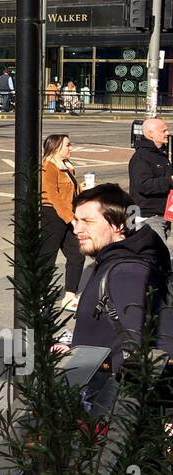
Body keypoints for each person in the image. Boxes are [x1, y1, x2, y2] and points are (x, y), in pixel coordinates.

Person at [70, 183, 171, 372]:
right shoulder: (109, 262)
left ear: (118, 225)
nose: (76, 229)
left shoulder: (128, 273)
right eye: (76, 220)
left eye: (87, 221)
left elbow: (149, 352)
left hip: (109, 395)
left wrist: (119, 395)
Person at [40, 134, 84, 311]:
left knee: (77, 254)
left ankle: (70, 295)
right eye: (67, 145)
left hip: (66, 215)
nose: (70, 148)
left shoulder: (66, 166)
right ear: (56, 147)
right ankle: (40, 295)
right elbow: (53, 197)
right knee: (47, 257)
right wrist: (71, 219)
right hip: (52, 214)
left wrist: (83, 189)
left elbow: (69, 192)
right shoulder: (49, 166)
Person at [129, 116, 173, 241]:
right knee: (155, 256)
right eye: (163, 131)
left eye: (167, 130)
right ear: (151, 134)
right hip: (148, 217)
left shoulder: (161, 154)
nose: (167, 133)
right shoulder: (141, 157)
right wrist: (169, 180)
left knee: (158, 256)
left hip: (163, 215)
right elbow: (144, 185)